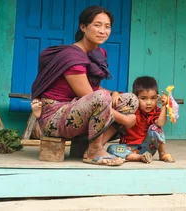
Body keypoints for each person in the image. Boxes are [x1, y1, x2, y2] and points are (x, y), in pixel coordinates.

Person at [30, 5, 138, 166]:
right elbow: (90, 96)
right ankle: (94, 150)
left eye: (107, 26)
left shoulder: (98, 54)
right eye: (97, 25)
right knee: (102, 98)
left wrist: (114, 93)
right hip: (56, 117)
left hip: (79, 110)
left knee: (130, 100)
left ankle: (96, 146)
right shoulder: (72, 57)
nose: (103, 31)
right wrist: (127, 120)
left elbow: (94, 89)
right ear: (83, 27)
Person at [106, 76, 175, 163]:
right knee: (111, 149)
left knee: (155, 128)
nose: (149, 102)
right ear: (135, 97)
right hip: (129, 148)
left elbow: (160, 123)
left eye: (153, 98)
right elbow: (119, 96)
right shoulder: (131, 106)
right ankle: (140, 157)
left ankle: (162, 154)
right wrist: (115, 94)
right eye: (143, 98)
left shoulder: (155, 110)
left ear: (157, 97)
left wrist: (165, 106)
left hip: (147, 147)